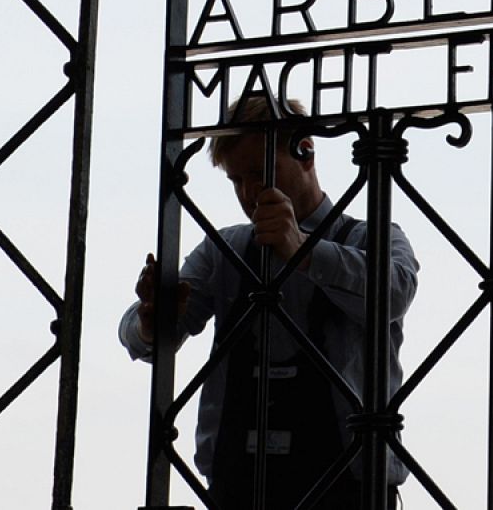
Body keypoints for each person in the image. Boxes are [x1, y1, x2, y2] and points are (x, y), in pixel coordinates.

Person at [121, 97, 419, 509]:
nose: (248, 193)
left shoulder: (370, 237)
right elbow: (143, 338)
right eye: (236, 180)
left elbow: (396, 294)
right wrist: (151, 320)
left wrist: (304, 250)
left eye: (261, 174)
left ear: (306, 153)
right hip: (237, 480)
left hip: (346, 483)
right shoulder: (224, 248)